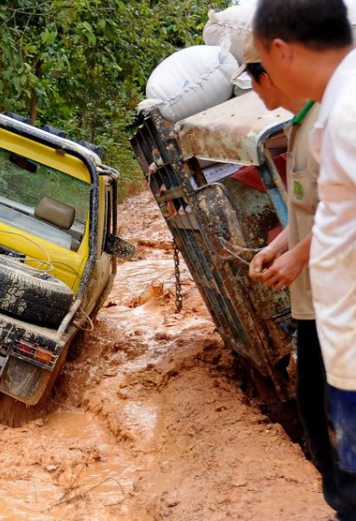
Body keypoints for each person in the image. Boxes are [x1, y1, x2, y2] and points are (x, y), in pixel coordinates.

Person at [252, 0, 356, 517]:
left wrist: (297, 258)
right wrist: (281, 249)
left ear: (279, 52)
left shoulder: (346, 115)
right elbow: (324, 215)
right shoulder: (321, 120)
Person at [236, 34, 336, 512]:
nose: (255, 91)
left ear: (269, 75)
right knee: (314, 407)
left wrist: (298, 257)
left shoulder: (330, 124)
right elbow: (308, 211)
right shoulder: (298, 127)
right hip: (313, 303)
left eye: (254, 80)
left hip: (340, 301)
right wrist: (276, 247)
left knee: (332, 410)